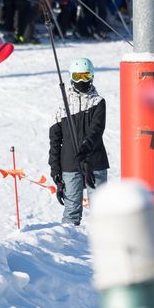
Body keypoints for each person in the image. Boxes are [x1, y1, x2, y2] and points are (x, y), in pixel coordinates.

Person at [49, 58, 109, 226]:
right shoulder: (63, 105)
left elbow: (96, 131)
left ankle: (105, 243)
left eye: (86, 76)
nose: (82, 80)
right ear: (71, 77)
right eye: (78, 76)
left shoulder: (98, 102)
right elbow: (55, 140)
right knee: (71, 210)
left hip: (94, 161)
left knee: (100, 209)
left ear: (92, 76)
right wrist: (55, 170)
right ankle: (69, 245)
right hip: (70, 163)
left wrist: (85, 152)